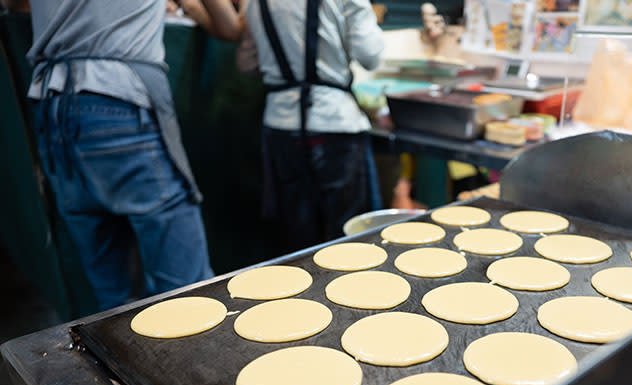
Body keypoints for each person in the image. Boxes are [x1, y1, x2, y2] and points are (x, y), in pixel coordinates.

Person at [27, 0, 214, 311]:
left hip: (53, 103)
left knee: (115, 300)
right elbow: (228, 24)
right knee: (189, 296)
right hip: (118, 96)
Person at [199, 0, 384, 252]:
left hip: (280, 127)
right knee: (351, 236)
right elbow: (370, 55)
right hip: (335, 123)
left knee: (297, 241)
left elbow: (247, 63)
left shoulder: (254, 3)